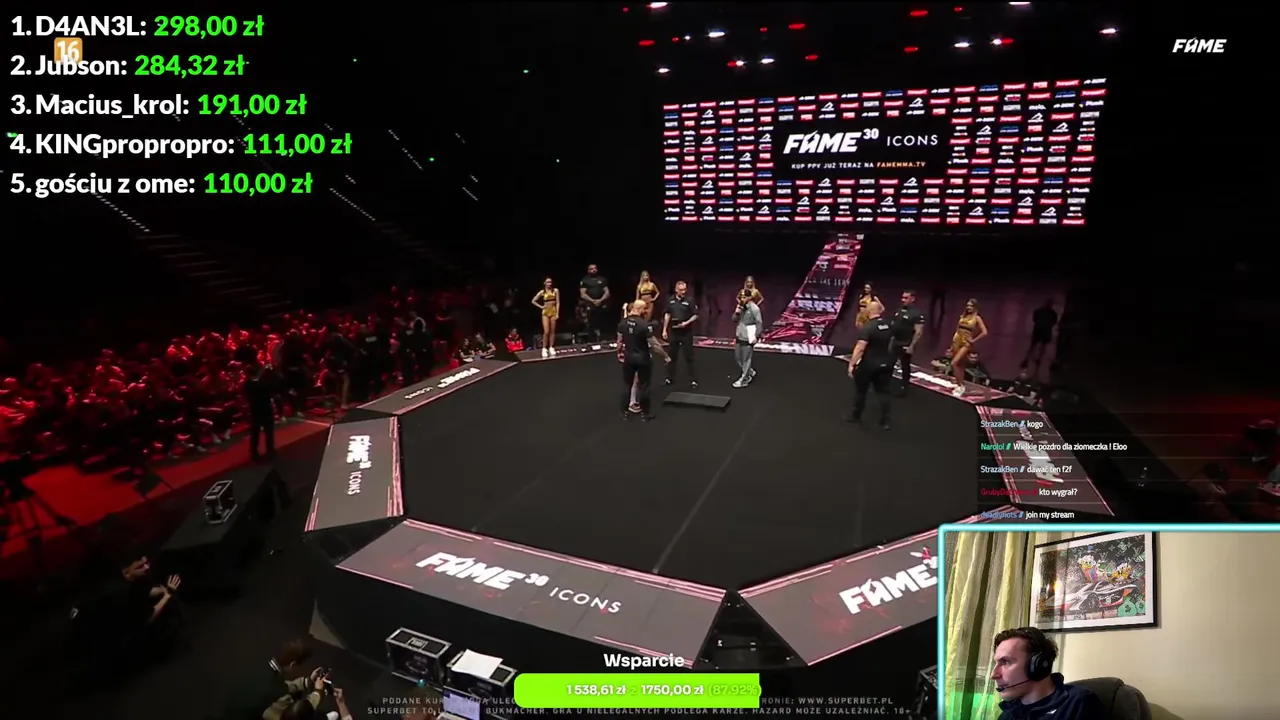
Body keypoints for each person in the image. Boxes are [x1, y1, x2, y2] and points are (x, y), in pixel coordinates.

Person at [991, 627, 1107, 720]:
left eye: (1005, 662)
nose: (994, 675)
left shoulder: (1079, 704)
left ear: (1038, 665)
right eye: (996, 663)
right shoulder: (1008, 715)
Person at [212, 638, 322, 720]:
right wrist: (317, 692)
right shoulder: (276, 695)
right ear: (293, 665)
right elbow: (294, 716)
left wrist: (308, 681)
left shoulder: (261, 670)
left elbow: (282, 685)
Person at [845, 301, 894, 430]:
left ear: (869, 311)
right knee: (883, 392)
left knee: (861, 391)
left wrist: (852, 364)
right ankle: (885, 421)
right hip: (885, 363)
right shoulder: (888, 325)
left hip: (869, 365)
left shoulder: (868, 327)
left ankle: (855, 416)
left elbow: (860, 348)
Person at [618, 300, 669, 420]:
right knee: (644, 385)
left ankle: (624, 412)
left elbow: (619, 341)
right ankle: (645, 413)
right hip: (642, 359)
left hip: (629, 358)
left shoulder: (623, 323)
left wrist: (619, 352)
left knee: (627, 384)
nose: (646, 311)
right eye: (644, 309)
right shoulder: (644, 325)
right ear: (639, 309)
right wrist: (665, 356)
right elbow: (655, 345)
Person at [662, 280, 699, 389]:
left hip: (686, 333)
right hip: (674, 332)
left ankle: (693, 380)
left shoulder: (690, 300)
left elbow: (695, 315)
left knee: (689, 356)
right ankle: (669, 378)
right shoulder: (670, 300)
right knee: (672, 356)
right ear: (676, 290)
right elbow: (667, 314)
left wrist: (686, 323)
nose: (683, 292)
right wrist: (664, 330)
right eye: (681, 290)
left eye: (685, 289)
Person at [950, 298, 989, 398]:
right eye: (967, 305)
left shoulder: (977, 318)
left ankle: (960, 386)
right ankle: (960, 384)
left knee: (954, 363)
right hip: (957, 341)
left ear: (975, 307)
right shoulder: (963, 316)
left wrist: (973, 341)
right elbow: (957, 330)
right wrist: (952, 344)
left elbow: (984, 332)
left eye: (971, 306)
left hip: (966, 343)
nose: (968, 307)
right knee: (961, 365)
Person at [890, 290, 926, 396]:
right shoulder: (899, 310)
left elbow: (919, 332)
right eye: (902, 297)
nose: (903, 300)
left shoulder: (916, 314)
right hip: (895, 341)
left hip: (906, 343)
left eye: (906, 298)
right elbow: (893, 325)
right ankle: (886, 384)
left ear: (912, 299)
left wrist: (911, 346)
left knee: (905, 365)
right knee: (889, 363)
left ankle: (904, 387)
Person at [244, 360, 277, 461]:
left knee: (255, 431)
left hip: (254, 410)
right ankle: (270, 450)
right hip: (265, 409)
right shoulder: (263, 384)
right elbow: (269, 395)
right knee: (269, 431)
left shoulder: (247, 384)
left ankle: (254, 451)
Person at [732, 291, 762, 388]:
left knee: (746, 359)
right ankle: (749, 371)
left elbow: (759, 323)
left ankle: (745, 379)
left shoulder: (755, 309)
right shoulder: (740, 307)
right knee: (738, 358)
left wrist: (757, 336)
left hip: (748, 336)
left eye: (744, 297)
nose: (742, 299)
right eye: (741, 297)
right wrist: (737, 313)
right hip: (739, 334)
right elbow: (733, 319)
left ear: (749, 297)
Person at [1021, 299, 1059, 370]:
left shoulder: (1038, 311)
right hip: (1046, 330)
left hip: (1038, 329)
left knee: (1033, 345)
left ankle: (1026, 359)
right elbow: (1054, 321)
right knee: (1043, 346)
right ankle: (1038, 359)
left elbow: (1034, 319)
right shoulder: (1053, 313)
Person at [580, 263, 611, 341]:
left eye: (595, 268)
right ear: (588, 270)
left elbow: (607, 292)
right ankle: (591, 340)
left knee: (602, 322)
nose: (593, 270)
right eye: (591, 269)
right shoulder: (585, 280)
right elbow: (583, 294)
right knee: (591, 324)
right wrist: (592, 301)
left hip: (601, 304)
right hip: (590, 304)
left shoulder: (602, 279)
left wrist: (600, 300)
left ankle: (603, 339)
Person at [532, 277, 561, 358]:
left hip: (553, 311)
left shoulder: (555, 290)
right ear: (544, 283)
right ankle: (544, 348)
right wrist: (541, 307)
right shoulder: (542, 292)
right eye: (547, 282)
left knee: (552, 331)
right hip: (545, 312)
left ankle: (551, 347)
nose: (549, 284)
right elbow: (533, 301)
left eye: (550, 282)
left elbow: (558, 302)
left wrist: (557, 313)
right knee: (546, 331)